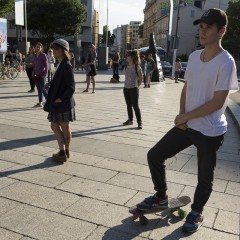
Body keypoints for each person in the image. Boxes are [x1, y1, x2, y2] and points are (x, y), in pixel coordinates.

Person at [136, 8, 238, 233]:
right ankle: (161, 196)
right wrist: (182, 115)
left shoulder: (226, 62)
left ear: (221, 31)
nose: (202, 32)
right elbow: (187, 87)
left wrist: (187, 116)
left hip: (210, 131)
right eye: (201, 27)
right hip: (188, 124)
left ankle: (197, 210)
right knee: (155, 155)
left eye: (208, 28)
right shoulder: (193, 57)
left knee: (205, 178)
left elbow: (218, 102)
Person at [43, 39, 76, 163]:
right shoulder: (60, 63)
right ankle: (63, 151)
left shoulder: (67, 65)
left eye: (56, 48)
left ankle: (65, 152)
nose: (54, 51)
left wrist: (60, 99)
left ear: (63, 50)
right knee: (54, 126)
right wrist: (50, 83)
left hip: (63, 102)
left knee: (64, 126)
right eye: (54, 48)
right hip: (57, 102)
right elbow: (58, 80)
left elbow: (71, 87)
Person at [123, 50, 143, 129]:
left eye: (128, 56)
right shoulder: (126, 66)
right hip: (126, 89)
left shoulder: (137, 66)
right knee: (128, 105)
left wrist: (137, 86)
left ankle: (139, 122)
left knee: (135, 106)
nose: (126, 57)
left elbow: (141, 77)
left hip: (134, 89)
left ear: (131, 57)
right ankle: (130, 120)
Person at [32, 42, 48, 108]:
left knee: (43, 89)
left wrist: (44, 74)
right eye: (37, 47)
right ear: (35, 48)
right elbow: (35, 65)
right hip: (36, 75)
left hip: (42, 76)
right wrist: (33, 73)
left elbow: (47, 66)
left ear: (41, 48)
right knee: (39, 89)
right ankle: (40, 102)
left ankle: (49, 101)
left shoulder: (44, 55)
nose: (38, 48)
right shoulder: (35, 56)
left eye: (39, 47)